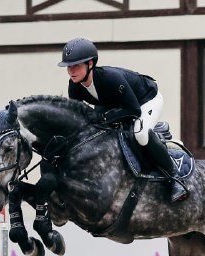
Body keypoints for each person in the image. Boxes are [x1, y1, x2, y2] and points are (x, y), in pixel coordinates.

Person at [58, 37, 188, 202]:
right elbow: (79, 116)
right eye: (68, 66)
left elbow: (133, 110)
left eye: (75, 65)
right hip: (116, 104)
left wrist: (105, 117)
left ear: (90, 64)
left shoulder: (110, 78)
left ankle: (175, 178)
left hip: (146, 100)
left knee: (140, 134)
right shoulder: (74, 86)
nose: (70, 71)